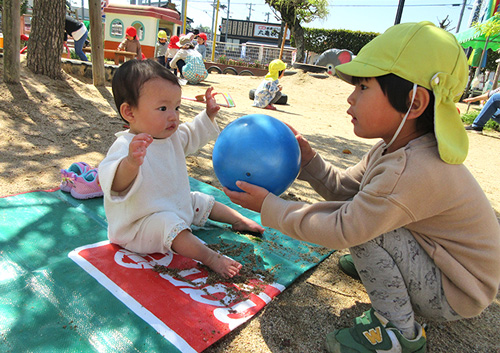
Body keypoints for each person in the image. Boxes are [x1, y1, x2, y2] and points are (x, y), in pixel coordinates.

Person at [223, 21, 500, 352]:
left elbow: (345, 227)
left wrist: (271, 208)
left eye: (364, 88)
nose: (351, 99)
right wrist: (310, 163)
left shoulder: (413, 169)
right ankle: (386, 266)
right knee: (364, 220)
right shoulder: (393, 148)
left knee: (365, 230)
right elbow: (345, 189)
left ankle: (400, 333)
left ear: (414, 103)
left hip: (456, 290)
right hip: (442, 265)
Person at [99, 59, 264, 278]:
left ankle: (237, 220)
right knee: (170, 224)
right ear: (129, 112)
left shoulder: (171, 136)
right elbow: (115, 184)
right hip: (140, 226)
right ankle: (210, 257)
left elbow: (193, 133)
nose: (173, 116)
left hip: (172, 208)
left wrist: (208, 116)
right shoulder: (126, 146)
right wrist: (130, 163)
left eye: (176, 107)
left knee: (198, 199)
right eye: (163, 108)